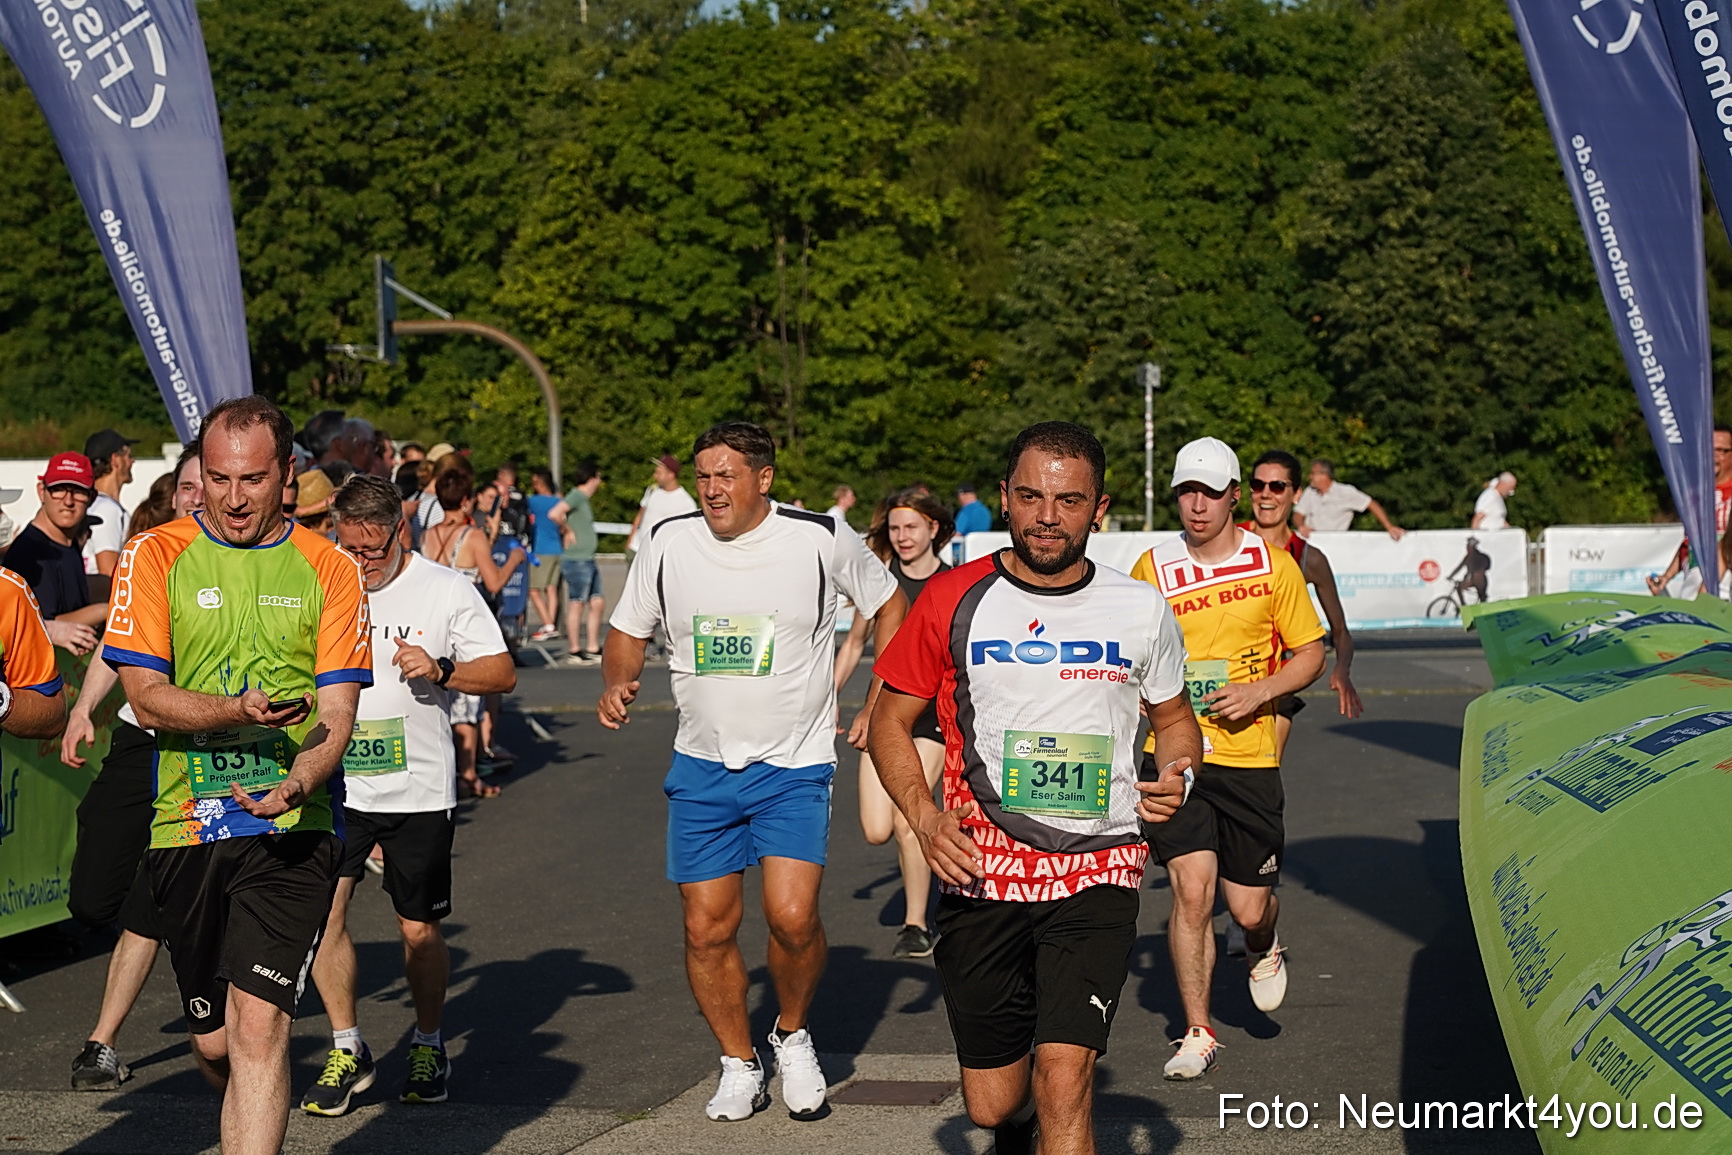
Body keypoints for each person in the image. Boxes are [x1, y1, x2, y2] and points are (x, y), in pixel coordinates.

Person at [867, 421, 1196, 1153]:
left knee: (1065, 1071)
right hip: (983, 868)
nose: (1048, 515)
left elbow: (1176, 720)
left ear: (1099, 509)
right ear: (1006, 501)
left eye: (1069, 500)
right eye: (1031, 496)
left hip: (1098, 861)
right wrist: (922, 816)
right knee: (992, 1103)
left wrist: (1179, 772)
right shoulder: (952, 597)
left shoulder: (1139, 607)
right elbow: (889, 719)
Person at [598, 420, 906, 1122]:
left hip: (793, 762)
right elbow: (627, 630)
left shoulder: (819, 534)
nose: (712, 488)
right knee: (707, 927)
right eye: (704, 475)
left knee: (792, 917)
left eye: (727, 474)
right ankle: (739, 1060)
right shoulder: (669, 539)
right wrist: (617, 680)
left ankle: (791, 1033)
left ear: (763, 478)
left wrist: (881, 694)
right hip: (702, 764)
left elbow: (890, 603)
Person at [102, 395, 371, 1155]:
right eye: (217, 478)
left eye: (252, 478)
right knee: (217, 1041)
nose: (233, 497)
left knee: (261, 1026)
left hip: (290, 826)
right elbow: (145, 697)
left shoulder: (330, 568)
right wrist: (233, 708)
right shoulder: (155, 554)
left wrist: (297, 783)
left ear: (287, 474)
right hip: (186, 822)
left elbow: (337, 712)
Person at [299, 476, 516, 1115]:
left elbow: (500, 672)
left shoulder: (447, 589)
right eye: (349, 546)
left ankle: (427, 1042)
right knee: (322, 919)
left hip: (416, 786)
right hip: (335, 780)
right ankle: (348, 1046)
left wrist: (442, 669)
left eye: (373, 548)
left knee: (417, 930)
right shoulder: (322, 580)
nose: (361, 561)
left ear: (401, 530)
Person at [1128, 436, 1325, 1081]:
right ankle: (1198, 1031)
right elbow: (1126, 652)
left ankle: (1264, 942)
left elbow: (1309, 652)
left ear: (1233, 496)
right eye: (1187, 491)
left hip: (1248, 757)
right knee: (1190, 894)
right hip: (1176, 757)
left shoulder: (1273, 565)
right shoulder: (1151, 568)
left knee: (1245, 909)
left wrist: (1261, 692)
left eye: (1210, 493)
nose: (1197, 505)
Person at [63, 446, 202, 1092]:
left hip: (202, 751)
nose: (204, 498)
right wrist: (85, 708)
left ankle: (102, 1041)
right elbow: (119, 644)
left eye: (221, 485)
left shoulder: (251, 563)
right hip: (139, 742)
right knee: (92, 896)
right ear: (176, 493)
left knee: (153, 893)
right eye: (194, 486)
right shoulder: (149, 555)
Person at [832, 489, 954, 959]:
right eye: (896, 528)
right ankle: (949, 861)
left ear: (934, 531)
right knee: (876, 829)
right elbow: (853, 646)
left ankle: (917, 923)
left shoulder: (954, 585)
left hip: (933, 721)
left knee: (909, 819)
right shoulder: (878, 584)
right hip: (884, 717)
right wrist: (832, 698)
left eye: (912, 528)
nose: (902, 537)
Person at [1240, 450, 1362, 758]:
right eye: (1258, 485)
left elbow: (1341, 631)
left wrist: (1342, 670)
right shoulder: (1227, 538)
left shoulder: (1310, 558)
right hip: (1219, 678)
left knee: (1263, 776)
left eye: (1277, 486)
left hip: (1277, 688)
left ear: (1296, 495)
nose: (1266, 494)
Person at [418, 462, 525, 799]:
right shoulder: (472, 535)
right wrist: (515, 559)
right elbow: (493, 582)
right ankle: (467, 774)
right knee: (466, 701)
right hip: (462, 622)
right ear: (466, 501)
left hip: (432, 620)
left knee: (439, 697)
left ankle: (446, 771)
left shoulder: (428, 533)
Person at [5, 453, 106, 655]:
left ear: (92, 497)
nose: (68, 501)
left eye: (78, 492)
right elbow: (43, 624)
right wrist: (108, 610)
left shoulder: (67, 541)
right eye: (58, 490)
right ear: (42, 491)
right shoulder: (31, 554)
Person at [1648, 425, 1732, 595]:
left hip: (1725, 577)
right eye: (1708, 449)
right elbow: (1689, 542)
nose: (1713, 455)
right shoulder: (1695, 494)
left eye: (1721, 451)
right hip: (1694, 573)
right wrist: (1667, 576)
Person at [550, 461, 605, 666]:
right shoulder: (576, 496)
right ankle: (574, 649)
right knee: (577, 602)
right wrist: (566, 529)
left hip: (588, 557)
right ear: (591, 478)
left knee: (597, 601)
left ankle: (592, 646)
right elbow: (555, 513)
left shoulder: (582, 499)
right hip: (577, 558)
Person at [1294, 458, 1402, 539]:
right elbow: (1298, 514)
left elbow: (1371, 504)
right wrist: (1301, 526)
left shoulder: (1345, 492)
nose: (1310, 477)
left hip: (1336, 545)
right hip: (1311, 543)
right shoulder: (1310, 492)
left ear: (1324, 476)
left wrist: (1389, 527)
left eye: (1313, 473)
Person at [83, 429, 139, 580]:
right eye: (129, 456)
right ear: (115, 460)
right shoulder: (107, 509)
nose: (132, 461)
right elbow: (108, 572)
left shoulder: (93, 503)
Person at [624, 455, 698, 554]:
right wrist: (630, 542)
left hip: (659, 555)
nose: (655, 476)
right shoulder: (652, 490)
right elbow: (639, 516)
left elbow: (687, 535)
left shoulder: (686, 503)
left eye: (658, 473)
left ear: (671, 475)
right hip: (637, 549)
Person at [525, 469, 565, 640]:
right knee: (551, 589)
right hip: (557, 548)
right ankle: (550, 624)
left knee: (533, 589)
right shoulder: (559, 501)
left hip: (541, 549)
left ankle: (548, 625)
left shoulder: (533, 502)